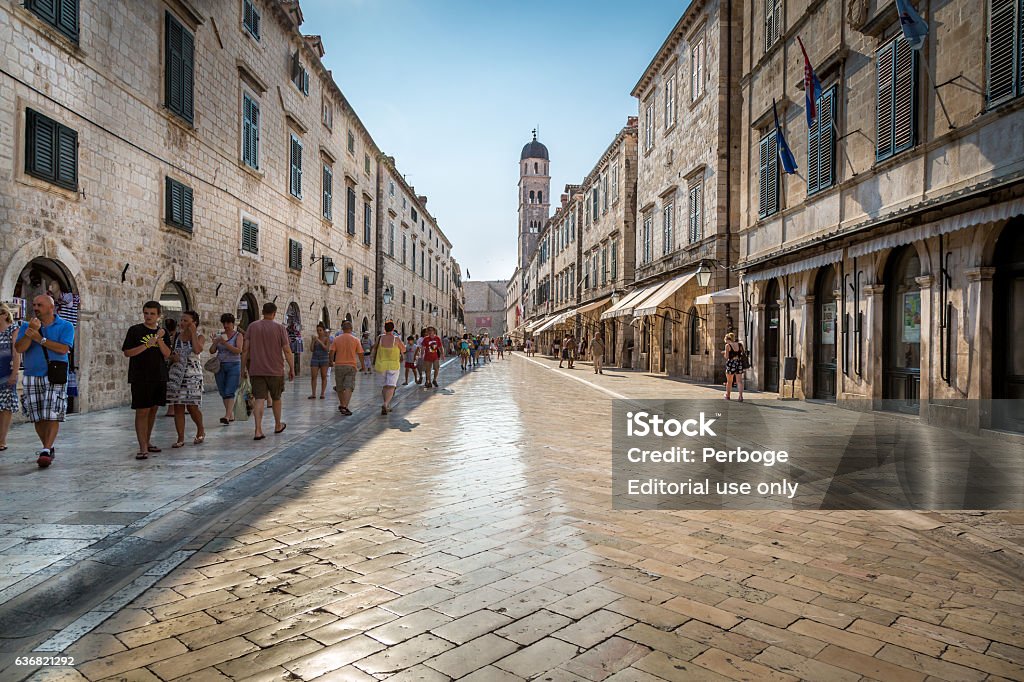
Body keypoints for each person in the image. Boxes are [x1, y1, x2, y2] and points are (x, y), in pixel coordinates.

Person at [14, 294, 75, 468]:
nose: (36, 307)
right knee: (37, 416)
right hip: (32, 374)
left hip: (55, 374)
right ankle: (47, 447)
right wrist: (29, 334)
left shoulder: (65, 326)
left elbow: (64, 349)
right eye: (34, 304)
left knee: (52, 414)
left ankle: (46, 449)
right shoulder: (27, 326)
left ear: (51, 307)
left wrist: (40, 339)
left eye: (40, 304)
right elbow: (19, 348)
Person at [122, 301, 172, 460]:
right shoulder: (135, 331)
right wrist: (146, 345)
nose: (148, 316)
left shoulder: (162, 334)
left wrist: (159, 340)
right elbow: (128, 353)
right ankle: (142, 447)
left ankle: (148, 441)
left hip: (159, 376)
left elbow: (167, 354)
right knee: (142, 410)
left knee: (153, 410)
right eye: (146, 313)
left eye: (152, 314)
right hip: (140, 377)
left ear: (158, 316)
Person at [242, 302, 294, 439]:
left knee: (259, 399)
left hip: (256, 369)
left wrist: (242, 368)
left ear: (263, 312)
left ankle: (258, 430)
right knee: (276, 398)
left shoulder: (252, 327)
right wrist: (292, 368)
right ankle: (277, 425)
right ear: (274, 313)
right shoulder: (280, 328)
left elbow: (245, 349)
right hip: (275, 370)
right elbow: (287, 350)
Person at [167, 310, 206, 448]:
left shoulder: (200, 337)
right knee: (178, 406)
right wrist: (173, 357)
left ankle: (200, 429)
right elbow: (169, 355)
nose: (182, 323)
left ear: (193, 322)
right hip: (177, 375)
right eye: (181, 320)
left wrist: (193, 333)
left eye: (185, 320)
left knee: (192, 406)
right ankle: (180, 437)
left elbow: (197, 350)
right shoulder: (176, 337)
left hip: (193, 375)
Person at [209, 313, 243, 425]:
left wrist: (225, 343)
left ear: (233, 323)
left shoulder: (238, 336)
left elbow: (238, 350)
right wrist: (215, 343)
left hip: (234, 365)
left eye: (228, 323)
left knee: (230, 390)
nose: (226, 325)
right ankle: (230, 414)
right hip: (220, 366)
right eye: (224, 323)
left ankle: (227, 416)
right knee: (223, 391)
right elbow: (212, 351)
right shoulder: (220, 335)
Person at [0, 303, 23, 452]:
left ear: (3, 314)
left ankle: (2, 440)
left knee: (5, 407)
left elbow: (16, 353)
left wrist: (15, 373)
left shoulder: (13, 329)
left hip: (6, 372)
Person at [330, 319, 364, 415]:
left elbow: (332, 351)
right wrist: (363, 365)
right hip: (351, 366)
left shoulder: (337, 339)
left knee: (340, 387)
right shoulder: (356, 340)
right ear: (351, 329)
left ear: (342, 329)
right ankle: (345, 406)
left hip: (339, 365)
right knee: (349, 386)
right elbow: (360, 354)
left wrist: (331, 361)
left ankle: (342, 404)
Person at [371, 321, 405, 414]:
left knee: (385, 386)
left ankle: (386, 403)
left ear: (384, 328)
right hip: (393, 365)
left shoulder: (380, 338)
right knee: (391, 386)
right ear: (393, 329)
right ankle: (386, 404)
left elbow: (374, 348)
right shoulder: (396, 339)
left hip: (381, 364)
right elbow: (404, 349)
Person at [162, 317, 179, 417]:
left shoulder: (164, 335)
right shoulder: (175, 336)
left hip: (167, 362)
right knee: (173, 386)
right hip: (171, 362)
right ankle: (171, 409)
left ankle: (172, 409)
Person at [308, 323, 330, 399]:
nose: (319, 332)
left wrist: (319, 341)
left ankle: (322, 393)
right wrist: (313, 341)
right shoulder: (315, 339)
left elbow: (326, 349)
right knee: (313, 376)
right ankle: (313, 394)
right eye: (317, 330)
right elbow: (311, 349)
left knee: (323, 376)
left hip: (324, 358)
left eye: (320, 330)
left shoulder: (327, 339)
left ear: (323, 331)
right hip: (315, 358)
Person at [722, 332, 745, 402]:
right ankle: (740, 396)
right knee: (739, 381)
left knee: (729, 381)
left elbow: (727, 357)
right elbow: (742, 354)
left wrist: (724, 353)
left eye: (725, 340)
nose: (725, 342)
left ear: (728, 339)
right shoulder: (740, 344)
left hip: (731, 363)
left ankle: (728, 395)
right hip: (739, 363)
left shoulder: (727, 346)